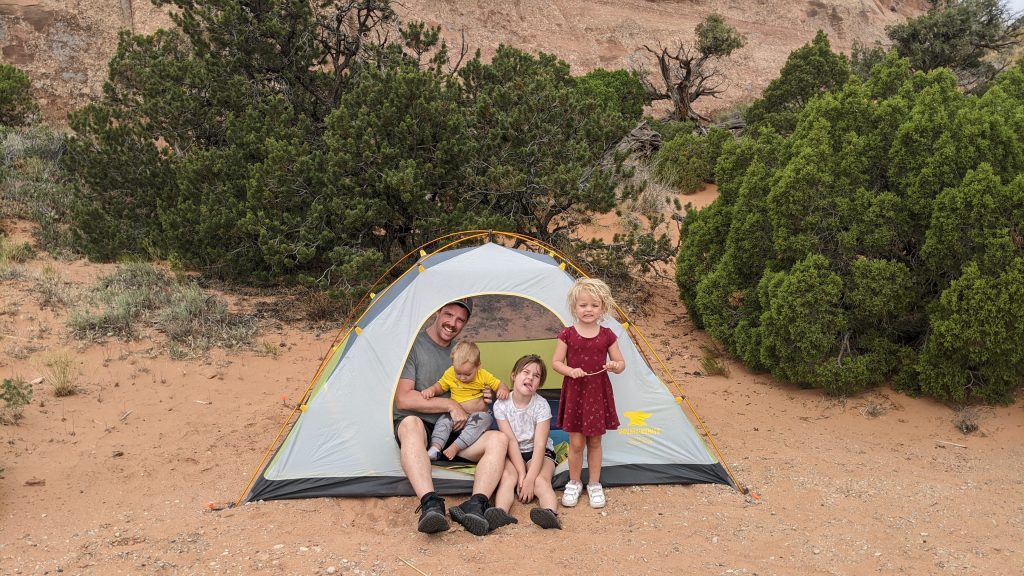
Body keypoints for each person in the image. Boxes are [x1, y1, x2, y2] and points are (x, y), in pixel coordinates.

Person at [393, 298, 509, 536]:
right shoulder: (414, 346)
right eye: (448, 315)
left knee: (498, 439)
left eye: (460, 320)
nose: (452, 323)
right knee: (410, 423)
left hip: (459, 431)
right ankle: (430, 504)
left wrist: (485, 398)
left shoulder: (463, 352)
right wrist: (450, 403)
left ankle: (475, 505)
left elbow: (479, 389)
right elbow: (404, 399)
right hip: (424, 429)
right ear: (437, 312)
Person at [551, 278, 626, 509]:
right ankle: (574, 482)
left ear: (602, 308)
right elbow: (556, 362)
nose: (588, 310)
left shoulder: (607, 335)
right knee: (575, 443)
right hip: (575, 392)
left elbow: (620, 363)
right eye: (583, 305)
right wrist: (570, 370)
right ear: (574, 307)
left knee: (595, 441)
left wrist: (615, 366)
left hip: (597, 393)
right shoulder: (567, 334)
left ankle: (594, 483)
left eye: (594, 305)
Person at [489, 355, 562, 530]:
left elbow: (539, 445)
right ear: (514, 375)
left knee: (540, 481)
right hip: (513, 451)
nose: (530, 377)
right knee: (508, 477)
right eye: (526, 372)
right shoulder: (501, 405)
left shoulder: (541, 405)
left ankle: (550, 513)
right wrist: (522, 474)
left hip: (540, 452)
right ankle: (500, 513)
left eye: (536, 376)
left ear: (539, 384)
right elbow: (511, 441)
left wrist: (529, 479)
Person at [421, 340, 509, 461]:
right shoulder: (450, 373)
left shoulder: (483, 375)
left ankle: (456, 447)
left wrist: (502, 389)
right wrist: (432, 390)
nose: (462, 377)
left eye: (467, 374)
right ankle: (435, 448)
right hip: (455, 415)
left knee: (485, 419)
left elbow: (499, 384)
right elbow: (441, 386)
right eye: (458, 373)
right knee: (443, 421)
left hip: (477, 415)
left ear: (478, 366)